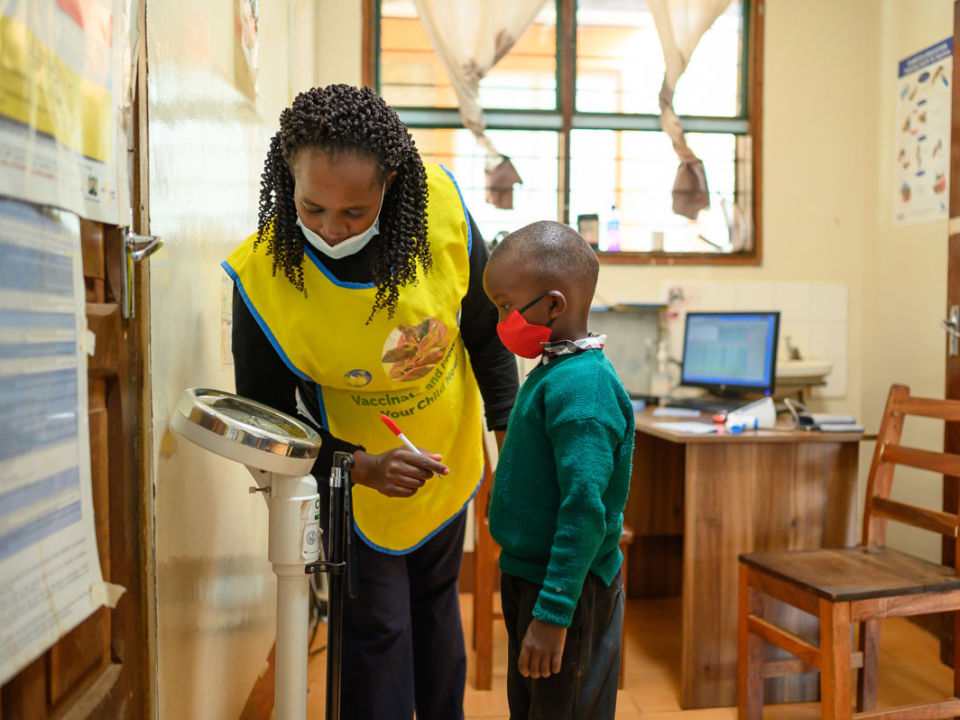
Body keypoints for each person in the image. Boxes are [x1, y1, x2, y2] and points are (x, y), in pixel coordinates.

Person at [224, 84, 519, 720]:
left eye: (355, 212)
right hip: (354, 483)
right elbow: (268, 423)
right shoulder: (266, 278)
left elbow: (487, 338)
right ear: (287, 181)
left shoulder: (439, 212)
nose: (333, 227)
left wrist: (510, 454)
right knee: (379, 629)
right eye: (313, 208)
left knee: (439, 608)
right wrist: (359, 467)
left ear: (389, 182)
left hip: (449, 451)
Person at [482, 220, 634, 720]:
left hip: (568, 587)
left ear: (553, 304)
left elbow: (584, 511)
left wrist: (552, 614)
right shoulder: (556, 370)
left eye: (506, 305)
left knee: (562, 710)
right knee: (533, 708)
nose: (501, 319)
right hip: (534, 575)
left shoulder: (583, 389)